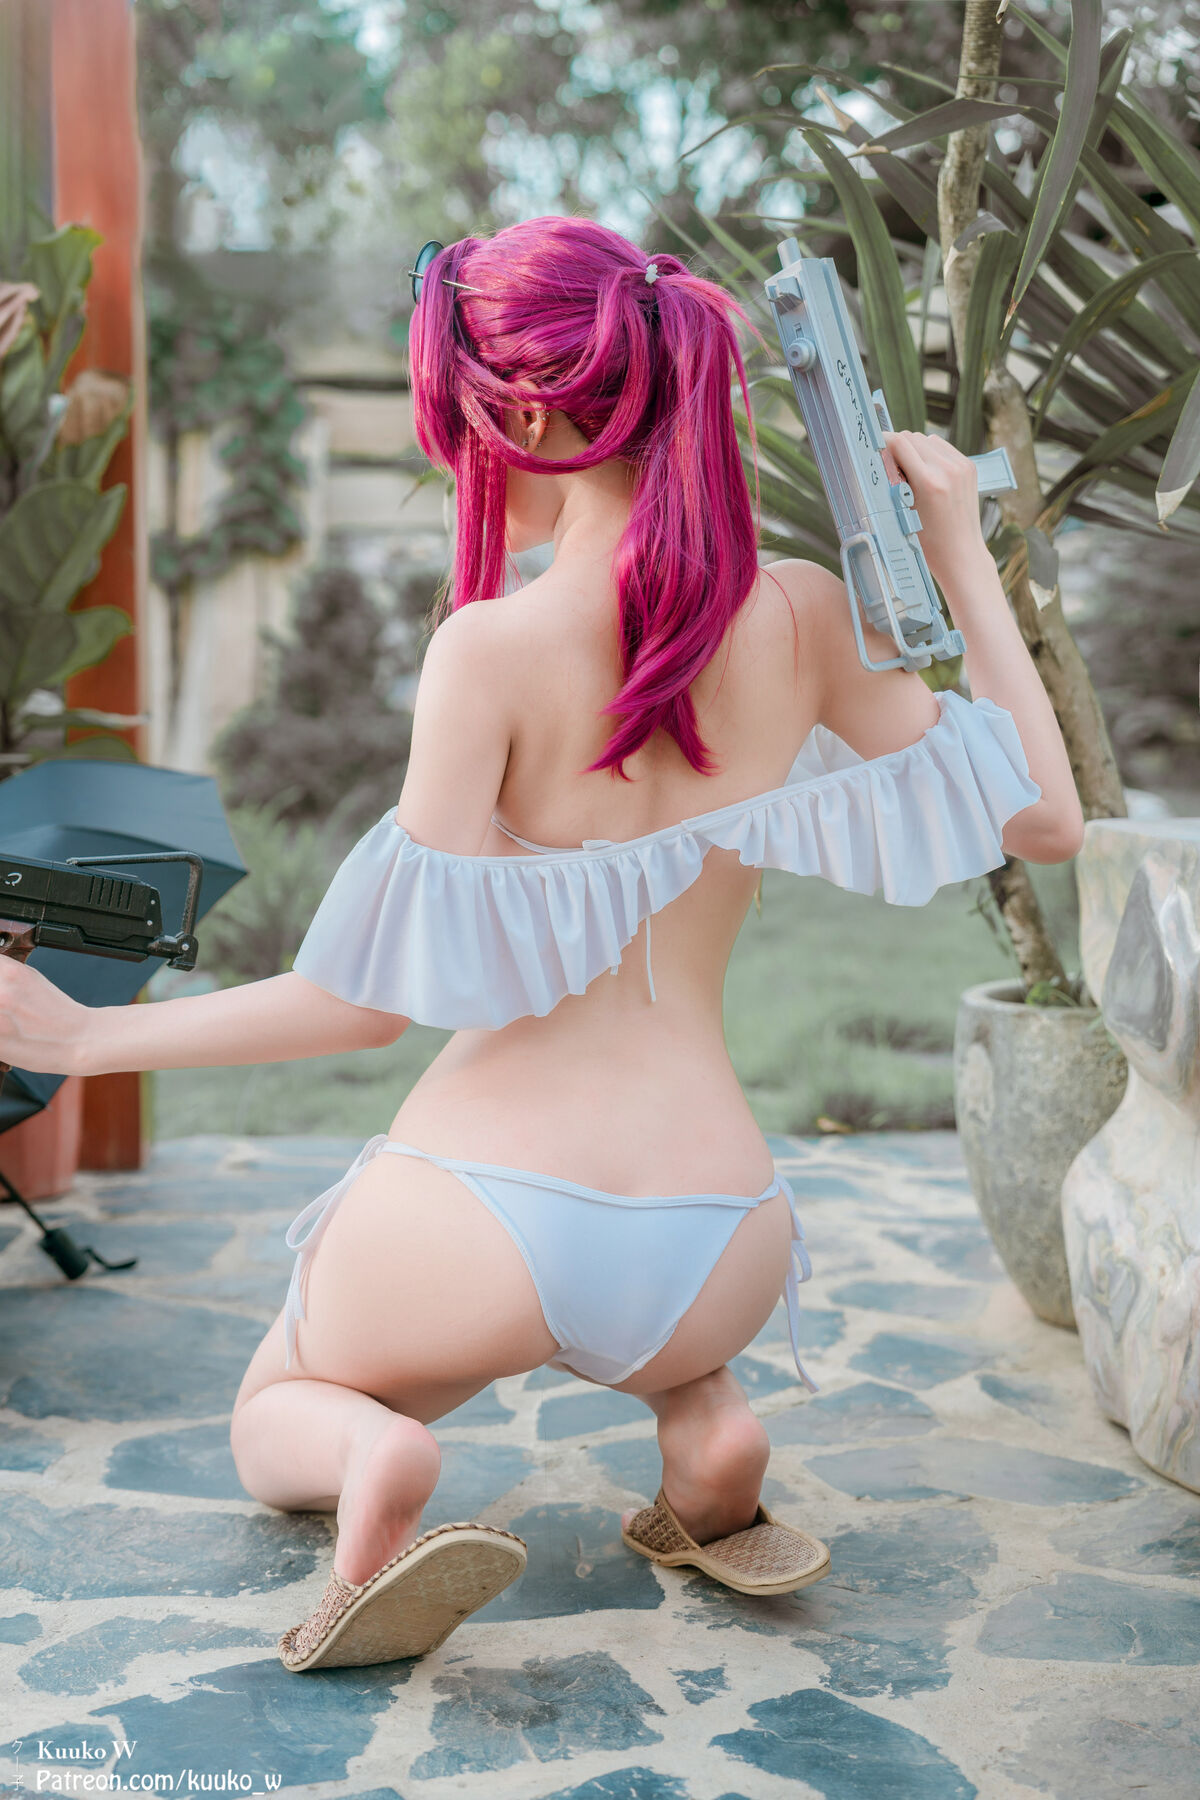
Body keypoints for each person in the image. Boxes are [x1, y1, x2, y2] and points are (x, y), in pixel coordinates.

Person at [0, 216, 1083, 1672]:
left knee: (276, 1407)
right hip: (719, 1236)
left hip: (481, 1221)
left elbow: (363, 1005)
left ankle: (378, 1464)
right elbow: (1046, 819)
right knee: (678, 1358)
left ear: (518, 418)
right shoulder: (804, 616)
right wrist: (957, 543)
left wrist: (84, 1036)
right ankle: (708, 1431)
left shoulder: (491, 652)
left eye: (453, 425)